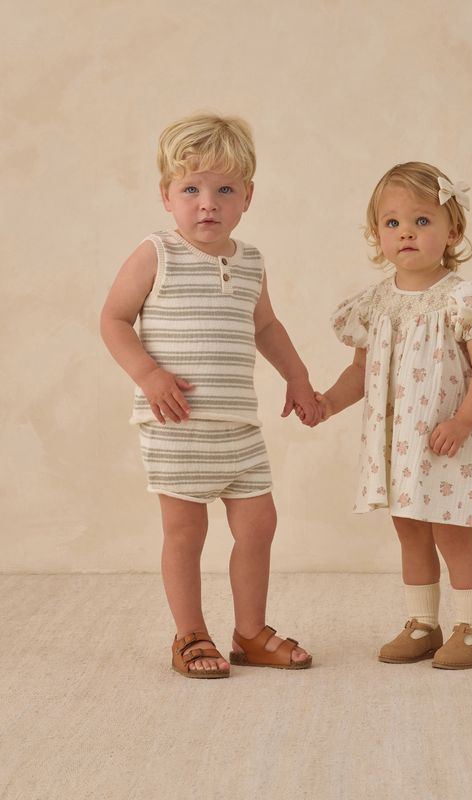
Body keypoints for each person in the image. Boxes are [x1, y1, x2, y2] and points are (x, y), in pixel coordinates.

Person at [101, 113, 318, 678]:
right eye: (191, 190)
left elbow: (266, 326)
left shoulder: (251, 262)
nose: (207, 204)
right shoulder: (157, 253)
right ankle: (190, 634)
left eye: (224, 190)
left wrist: (297, 377)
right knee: (186, 532)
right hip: (177, 425)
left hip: (239, 427)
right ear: (166, 196)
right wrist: (148, 374)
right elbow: (114, 319)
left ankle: (250, 632)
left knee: (259, 525)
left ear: (247, 197)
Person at [316, 162, 472, 669]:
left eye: (422, 221)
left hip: (451, 439)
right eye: (392, 223)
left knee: (452, 532)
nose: (406, 233)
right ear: (377, 234)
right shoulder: (374, 303)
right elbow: (362, 370)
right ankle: (422, 624)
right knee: (410, 530)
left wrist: (462, 422)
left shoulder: (465, 299)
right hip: (402, 445)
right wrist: (327, 403)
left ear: (452, 231)